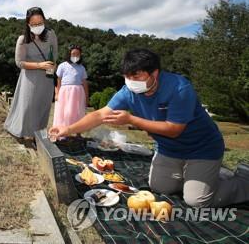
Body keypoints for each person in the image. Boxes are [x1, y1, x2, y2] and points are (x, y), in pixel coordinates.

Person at [49, 48, 249, 207]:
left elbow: (174, 129)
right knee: (160, 187)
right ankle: (202, 176)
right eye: (128, 76)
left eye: (137, 76)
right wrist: (67, 129)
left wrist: (132, 120)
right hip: (169, 149)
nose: (131, 82)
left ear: (154, 73)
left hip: (202, 148)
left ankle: (242, 181)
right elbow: (100, 114)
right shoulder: (128, 91)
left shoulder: (179, 88)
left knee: (197, 201)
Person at [4, 7, 58, 141]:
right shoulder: (23, 39)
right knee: (27, 107)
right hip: (30, 77)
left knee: (42, 107)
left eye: (40, 23)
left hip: (47, 78)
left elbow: (55, 54)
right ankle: (19, 132)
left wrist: (53, 65)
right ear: (28, 24)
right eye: (33, 24)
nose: (37, 26)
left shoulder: (51, 34)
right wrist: (39, 65)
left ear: (44, 21)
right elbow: (19, 62)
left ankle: (38, 136)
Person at [53, 44, 89, 131]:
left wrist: (87, 97)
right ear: (69, 54)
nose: (75, 56)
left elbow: (85, 83)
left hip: (78, 93)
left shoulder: (82, 68)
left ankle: (77, 132)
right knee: (64, 112)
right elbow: (58, 81)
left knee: (78, 112)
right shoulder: (62, 66)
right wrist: (57, 93)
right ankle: (61, 131)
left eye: (78, 54)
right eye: (73, 54)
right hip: (65, 92)